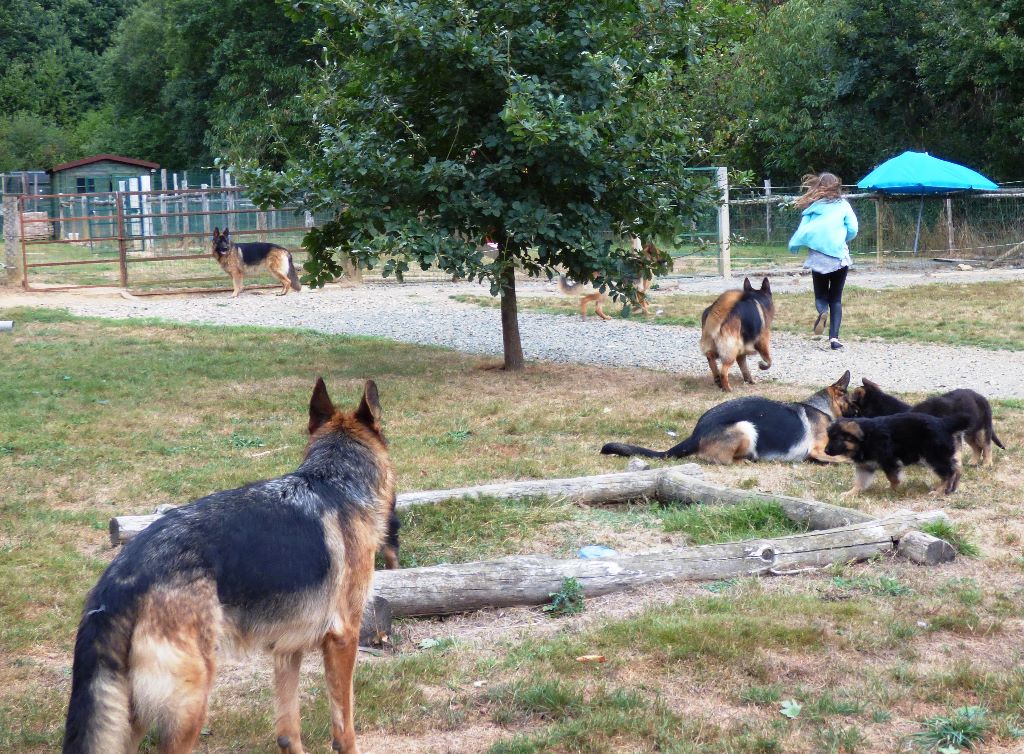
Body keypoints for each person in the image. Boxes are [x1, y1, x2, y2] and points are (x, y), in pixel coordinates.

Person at [788, 172, 859, 350]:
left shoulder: (812, 208)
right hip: (838, 257)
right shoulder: (843, 205)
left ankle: (822, 312)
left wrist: (795, 244)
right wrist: (843, 238)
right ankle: (834, 339)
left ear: (818, 186)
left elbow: (802, 230)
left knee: (821, 295)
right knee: (836, 298)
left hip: (818, 258)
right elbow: (853, 228)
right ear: (836, 186)